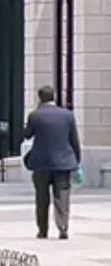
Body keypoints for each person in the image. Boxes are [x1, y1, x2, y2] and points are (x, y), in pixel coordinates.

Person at [23, 85, 81, 240]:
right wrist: (77, 160)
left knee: (42, 199)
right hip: (63, 162)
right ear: (54, 97)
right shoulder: (68, 115)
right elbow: (74, 140)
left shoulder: (35, 115)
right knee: (62, 197)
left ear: (40, 98)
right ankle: (63, 227)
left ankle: (43, 230)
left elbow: (27, 135)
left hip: (41, 163)